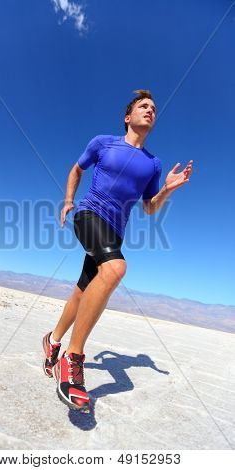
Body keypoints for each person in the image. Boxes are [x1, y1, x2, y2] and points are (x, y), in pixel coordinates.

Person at [42, 89, 193, 413]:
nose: (150, 110)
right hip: (89, 215)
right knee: (115, 269)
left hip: (114, 232)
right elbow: (76, 169)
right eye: (143, 106)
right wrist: (69, 201)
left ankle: (52, 341)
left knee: (83, 291)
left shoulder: (153, 163)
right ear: (128, 117)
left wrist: (166, 188)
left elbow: (150, 208)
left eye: (154, 107)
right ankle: (72, 360)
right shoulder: (103, 143)